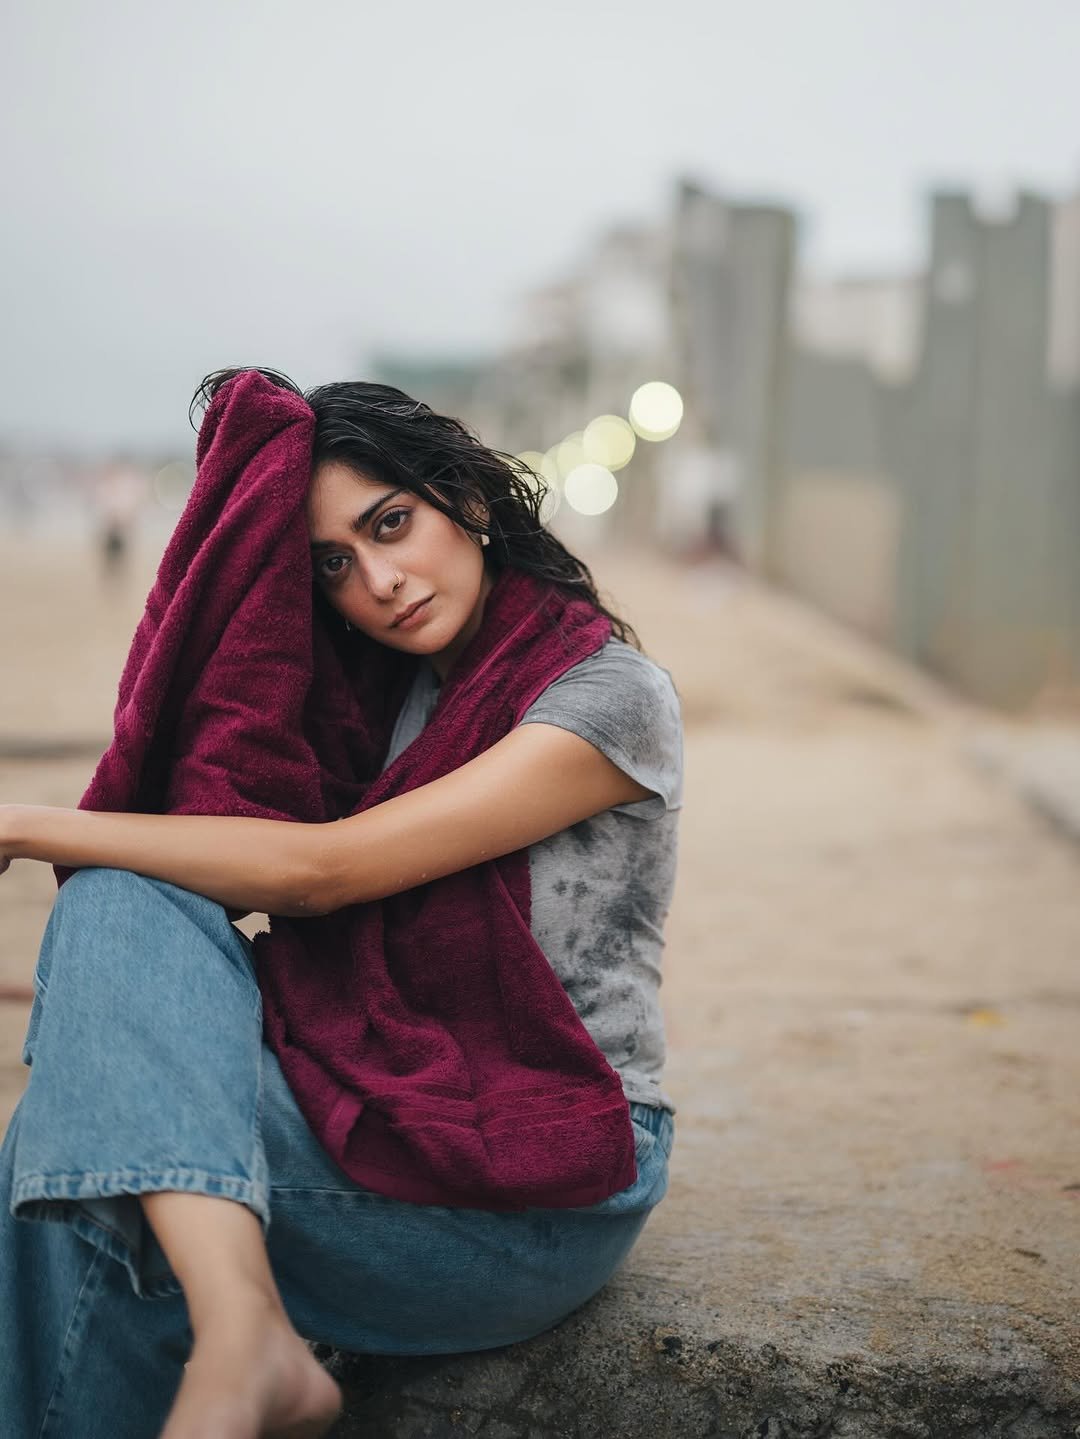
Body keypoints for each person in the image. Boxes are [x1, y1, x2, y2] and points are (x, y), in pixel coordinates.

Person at [0, 369, 682, 1439]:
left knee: (76, 1151)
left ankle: (241, 1341)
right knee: (121, 902)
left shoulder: (609, 696)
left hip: (549, 1169)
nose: (380, 581)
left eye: (390, 523)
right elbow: (222, 850)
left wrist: (21, 824)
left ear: (466, 495)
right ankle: (244, 1332)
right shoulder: (380, 701)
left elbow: (326, 872)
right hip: (389, 1094)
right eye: (334, 563)